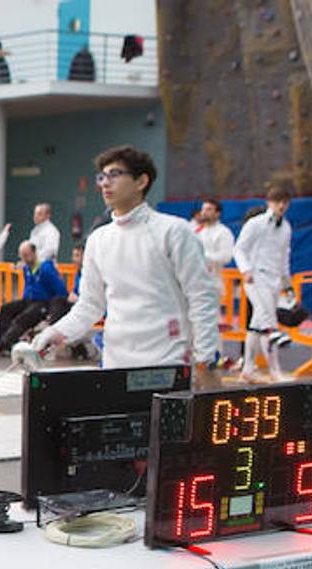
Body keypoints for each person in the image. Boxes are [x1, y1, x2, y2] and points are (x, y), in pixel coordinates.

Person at [35, 145, 221, 389]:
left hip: (168, 362)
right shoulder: (99, 239)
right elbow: (91, 304)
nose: (105, 183)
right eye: (102, 176)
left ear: (141, 181)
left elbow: (201, 296)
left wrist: (205, 357)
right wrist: (57, 332)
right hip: (116, 364)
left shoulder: (173, 231)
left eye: (114, 174)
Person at [232, 186, 293, 383]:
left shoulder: (286, 228)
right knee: (268, 322)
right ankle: (275, 371)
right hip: (256, 277)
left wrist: (287, 285)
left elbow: (284, 258)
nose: (281, 206)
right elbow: (239, 249)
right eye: (277, 201)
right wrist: (246, 270)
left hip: (275, 279)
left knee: (256, 326)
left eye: (285, 202)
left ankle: (248, 370)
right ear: (269, 203)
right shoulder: (255, 223)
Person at [0, 240, 70, 355]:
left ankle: (2, 344)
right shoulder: (26, 269)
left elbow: (61, 290)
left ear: (34, 253)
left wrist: (54, 311)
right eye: (22, 256)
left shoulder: (46, 269)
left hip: (43, 303)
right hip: (29, 300)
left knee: (22, 319)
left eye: (26, 255)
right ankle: (3, 342)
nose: (24, 259)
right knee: (6, 309)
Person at [192, 198, 235, 286]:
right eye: (203, 209)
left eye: (209, 209)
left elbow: (226, 257)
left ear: (217, 213)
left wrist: (204, 256)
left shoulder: (223, 232)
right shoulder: (195, 231)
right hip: (192, 281)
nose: (204, 212)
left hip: (212, 282)